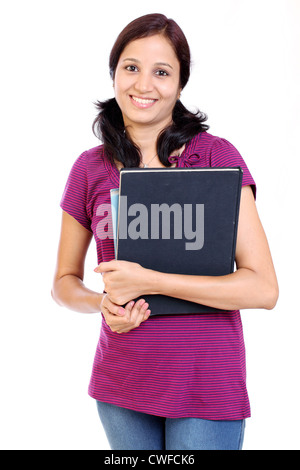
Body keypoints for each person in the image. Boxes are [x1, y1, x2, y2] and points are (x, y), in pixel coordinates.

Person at [52, 13, 279, 450]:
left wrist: (151, 282)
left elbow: (263, 288)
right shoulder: (89, 168)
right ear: (114, 72)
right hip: (122, 383)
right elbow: (63, 283)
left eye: (162, 72)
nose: (144, 85)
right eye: (131, 67)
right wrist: (102, 303)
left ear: (180, 83)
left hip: (206, 384)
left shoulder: (216, 157)